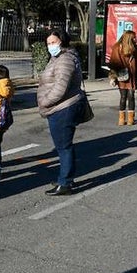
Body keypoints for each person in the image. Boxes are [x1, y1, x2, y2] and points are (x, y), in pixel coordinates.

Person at [37, 28, 84, 195]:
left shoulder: (65, 60)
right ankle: (64, 178)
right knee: (62, 147)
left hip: (63, 108)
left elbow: (60, 88)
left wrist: (44, 101)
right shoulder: (57, 57)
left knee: (64, 147)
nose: (51, 46)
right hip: (58, 108)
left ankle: (65, 183)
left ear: (62, 41)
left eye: (54, 42)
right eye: (48, 43)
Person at [107, 29, 137, 125]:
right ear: (129, 38)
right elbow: (113, 64)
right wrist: (113, 77)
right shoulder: (117, 48)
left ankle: (131, 119)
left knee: (131, 96)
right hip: (122, 75)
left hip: (132, 76)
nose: (135, 39)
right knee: (123, 96)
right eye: (133, 38)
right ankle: (121, 119)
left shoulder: (135, 48)